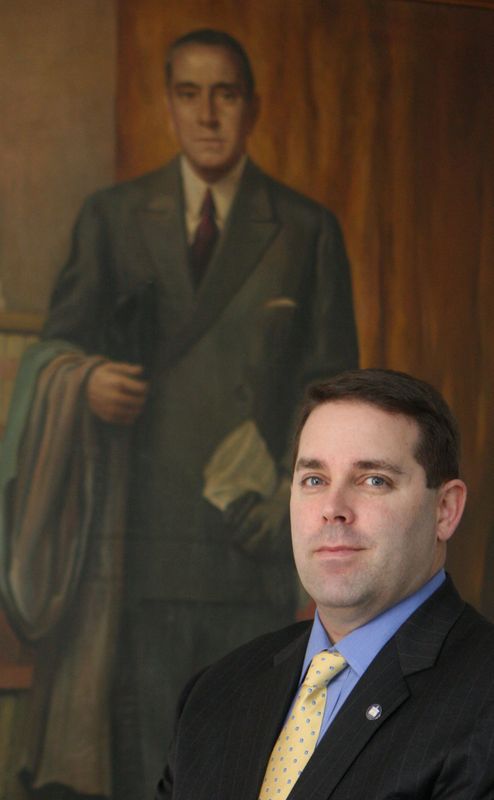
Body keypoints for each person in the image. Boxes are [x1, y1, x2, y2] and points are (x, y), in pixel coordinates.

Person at [0, 28, 358, 800]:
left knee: (245, 752)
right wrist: (87, 379)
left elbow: (336, 399)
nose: (207, 114)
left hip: (251, 543)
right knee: (143, 757)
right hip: (138, 548)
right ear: (168, 106)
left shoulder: (305, 230)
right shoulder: (113, 217)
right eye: (190, 94)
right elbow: (54, 350)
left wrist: (292, 505)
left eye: (225, 94)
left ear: (252, 108)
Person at [156, 368, 494, 800]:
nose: (333, 509)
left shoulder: (484, 699)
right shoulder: (216, 693)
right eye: (314, 480)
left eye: (374, 480)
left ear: (445, 510)